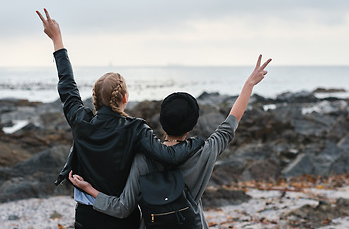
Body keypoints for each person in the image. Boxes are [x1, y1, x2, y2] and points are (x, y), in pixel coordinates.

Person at [36, 8, 204, 229]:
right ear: (125, 97)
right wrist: (199, 141)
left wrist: (57, 40)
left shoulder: (80, 120)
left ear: (95, 98)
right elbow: (169, 156)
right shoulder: (136, 129)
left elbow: (66, 84)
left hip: (87, 215)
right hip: (123, 218)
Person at [69, 55, 272, 228]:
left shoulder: (142, 159)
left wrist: (89, 189)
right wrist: (249, 84)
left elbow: (122, 208)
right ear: (192, 125)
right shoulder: (204, 152)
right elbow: (230, 124)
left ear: (162, 122)